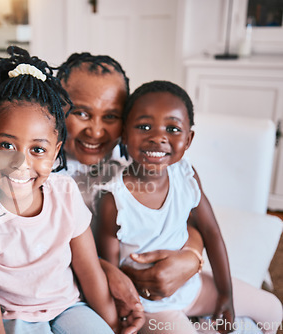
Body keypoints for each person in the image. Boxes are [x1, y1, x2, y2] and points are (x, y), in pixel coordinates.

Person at [0, 46, 117, 334]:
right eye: (6, 146)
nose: (20, 163)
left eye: (37, 149)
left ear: (54, 153)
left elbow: (90, 273)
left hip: (70, 307)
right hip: (13, 318)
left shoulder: (65, 193)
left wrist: (112, 325)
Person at [97, 80, 283, 334]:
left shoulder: (186, 176)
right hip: (152, 306)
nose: (158, 137)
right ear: (125, 134)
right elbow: (111, 273)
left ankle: (203, 322)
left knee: (273, 310)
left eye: (172, 128)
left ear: (188, 139)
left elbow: (211, 232)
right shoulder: (114, 200)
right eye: (144, 126)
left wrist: (225, 294)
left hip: (192, 287)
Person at [57, 52, 204, 314]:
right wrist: (107, 269)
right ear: (57, 107)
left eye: (111, 117)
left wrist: (192, 256)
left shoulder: (134, 160)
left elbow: (186, 216)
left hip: (174, 287)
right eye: (81, 113)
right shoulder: (44, 172)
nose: (96, 131)